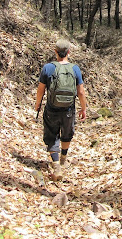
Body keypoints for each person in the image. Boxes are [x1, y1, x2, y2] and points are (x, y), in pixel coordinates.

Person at [35, 39, 87, 180]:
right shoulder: (75, 69)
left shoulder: (48, 68)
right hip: (69, 109)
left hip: (52, 109)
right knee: (67, 133)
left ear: (55, 51)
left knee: (52, 135)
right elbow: (81, 92)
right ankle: (64, 158)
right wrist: (84, 108)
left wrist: (37, 104)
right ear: (69, 52)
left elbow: (41, 90)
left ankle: (56, 165)